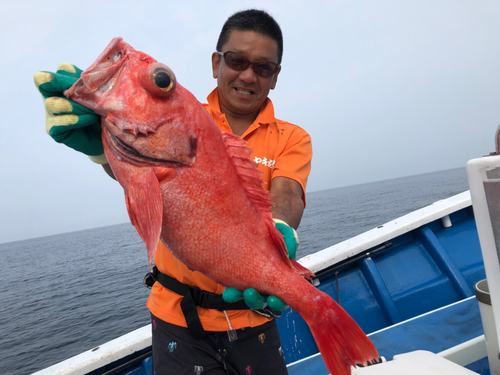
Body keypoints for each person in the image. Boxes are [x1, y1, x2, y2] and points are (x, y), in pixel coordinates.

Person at [34, 9, 312, 375]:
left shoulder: (291, 137)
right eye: (237, 60)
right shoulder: (183, 114)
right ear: (216, 63)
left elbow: (288, 193)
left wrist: (281, 227)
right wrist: (103, 151)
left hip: (252, 314)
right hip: (176, 318)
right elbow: (141, 175)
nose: (248, 75)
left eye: (263, 67)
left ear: (275, 77)